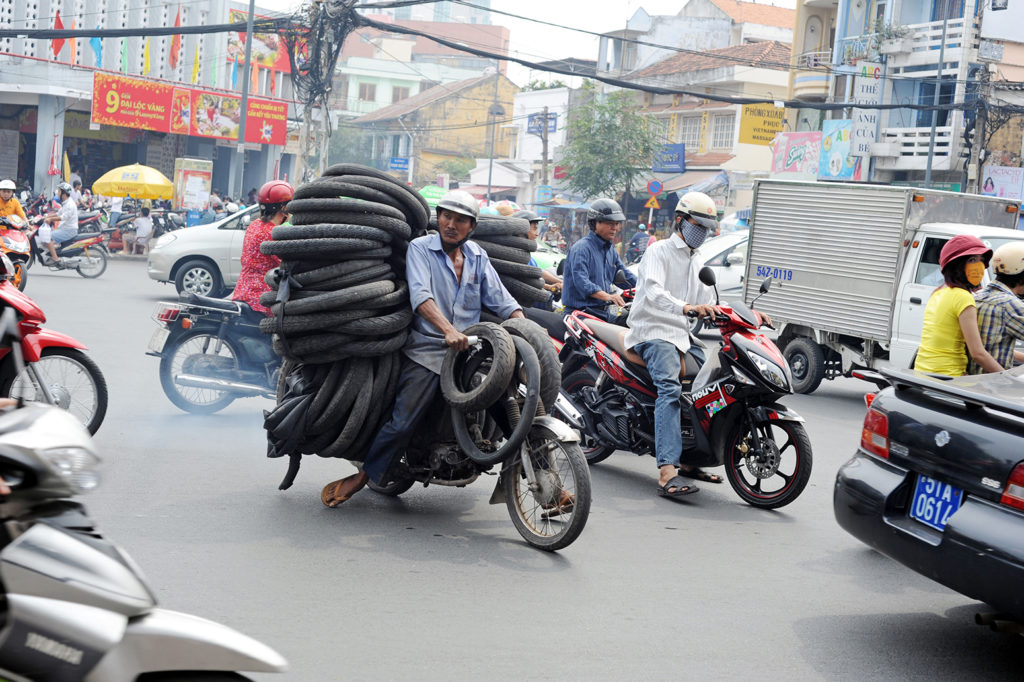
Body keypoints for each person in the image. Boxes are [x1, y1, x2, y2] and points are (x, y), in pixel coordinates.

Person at [321, 190, 526, 507]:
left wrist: (523, 326)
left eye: (460, 220)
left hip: (469, 356)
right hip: (429, 352)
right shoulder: (421, 249)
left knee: (511, 410)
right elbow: (421, 297)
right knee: (403, 421)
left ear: (471, 227)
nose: (451, 224)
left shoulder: (477, 257)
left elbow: (504, 302)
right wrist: (448, 330)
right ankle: (365, 476)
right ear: (439, 218)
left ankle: (543, 479)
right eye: (446, 216)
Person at [624, 192, 725, 499]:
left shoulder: (698, 260)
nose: (703, 232)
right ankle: (667, 469)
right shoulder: (659, 252)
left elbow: (707, 301)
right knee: (669, 389)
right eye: (698, 225)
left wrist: (738, 313)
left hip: (682, 336)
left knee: (707, 389)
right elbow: (653, 292)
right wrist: (684, 308)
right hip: (652, 332)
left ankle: (691, 459)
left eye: (708, 227)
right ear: (680, 222)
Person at [914, 235, 1003, 376]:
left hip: (922, 373)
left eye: (981, 260)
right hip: (948, 378)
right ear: (956, 265)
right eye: (972, 260)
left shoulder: (938, 293)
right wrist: (1008, 379)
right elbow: (978, 353)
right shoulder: (963, 298)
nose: (979, 266)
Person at [561, 198, 637, 324]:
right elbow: (582, 282)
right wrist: (608, 296)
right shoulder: (581, 249)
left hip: (602, 314)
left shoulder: (610, 250)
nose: (615, 228)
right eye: (610, 223)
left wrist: (646, 289)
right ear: (595, 223)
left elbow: (625, 274)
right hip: (580, 315)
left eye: (617, 224)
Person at [231, 180, 292, 314]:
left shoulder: (255, 225)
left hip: (243, 291)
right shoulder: (272, 234)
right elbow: (285, 263)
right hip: (260, 298)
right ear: (284, 208)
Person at [970, 241, 1024, 373]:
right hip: (993, 385)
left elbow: (991, 345)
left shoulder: (977, 296)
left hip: (969, 381)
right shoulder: (1009, 304)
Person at [513, 210, 563, 297]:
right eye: (534, 229)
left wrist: (559, 281)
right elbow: (526, 281)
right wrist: (549, 287)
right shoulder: (513, 255)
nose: (537, 234)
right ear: (521, 230)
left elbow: (538, 271)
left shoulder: (526, 254)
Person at [40, 182, 78, 266]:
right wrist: (46, 216)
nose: (57, 193)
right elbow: (58, 213)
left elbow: (62, 217)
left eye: (59, 191)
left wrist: (50, 219)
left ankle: (55, 258)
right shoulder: (66, 202)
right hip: (64, 228)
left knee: (48, 237)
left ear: (64, 193)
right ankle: (53, 251)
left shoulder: (70, 205)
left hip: (69, 230)